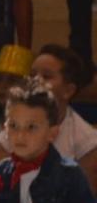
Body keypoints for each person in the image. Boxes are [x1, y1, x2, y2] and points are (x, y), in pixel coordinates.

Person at [23, 45, 97, 193]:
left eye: (46, 76)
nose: (35, 81)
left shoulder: (87, 142)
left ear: (68, 91)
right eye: (32, 75)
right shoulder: (13, 125)